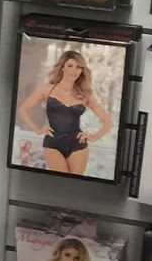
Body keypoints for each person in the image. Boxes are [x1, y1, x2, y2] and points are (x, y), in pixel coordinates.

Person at [17, 47, 113, 175]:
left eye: (79, 67)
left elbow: (108, 122)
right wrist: (37, 129)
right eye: (70, 66)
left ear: (82, 70)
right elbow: (23, 109)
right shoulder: (46, 89)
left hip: (77, 145)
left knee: (74, 183)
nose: (74, 71)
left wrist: (93, 136)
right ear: (62, 67)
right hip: (52, 142)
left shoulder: (84, 94)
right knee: (59, 180)